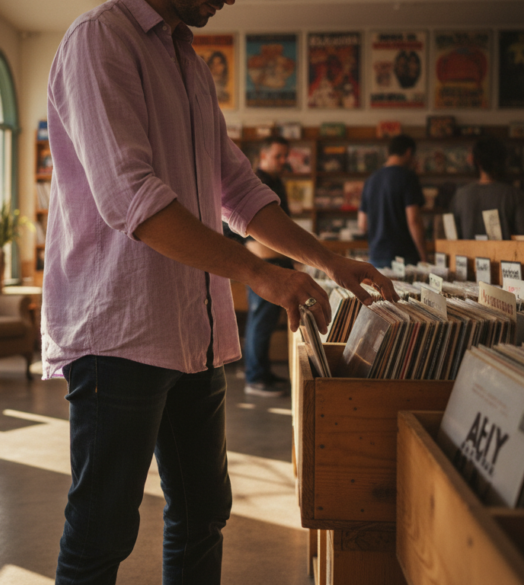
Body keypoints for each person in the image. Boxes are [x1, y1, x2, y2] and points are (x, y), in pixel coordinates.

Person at [43, 1, 397, 584]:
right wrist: (260, 274)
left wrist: (326, 260)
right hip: (120, 332)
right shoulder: (100, 38)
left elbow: (236, 187)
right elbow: (131, 198)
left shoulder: (188, 60)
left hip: (192, 331)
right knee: (101, 531)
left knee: (204, 512)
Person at [243, 136, 293, 397]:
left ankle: (262, 372)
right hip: (264, 264)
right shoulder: (257, 182)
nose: (283, 161)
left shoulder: (276, 182)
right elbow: (242, 231)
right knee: (260, 321)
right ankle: (254, 378)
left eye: (286, 156)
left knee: (266, 321)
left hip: (277, 263)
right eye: (278, 156)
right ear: (263, 156)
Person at [358, 134, 427, 268]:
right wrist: (424, 255)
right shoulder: (408, 177)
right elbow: (413, 220)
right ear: (409, 152)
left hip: (376, 256)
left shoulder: (371, 180)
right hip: (404, 257)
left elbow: (362, 224)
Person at [450, 136, 524, 240]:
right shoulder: (515, 195)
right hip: (505, 255)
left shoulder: (460, 195)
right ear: (503, 161)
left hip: (467, 256)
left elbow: (454, 237)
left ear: (477, 161)